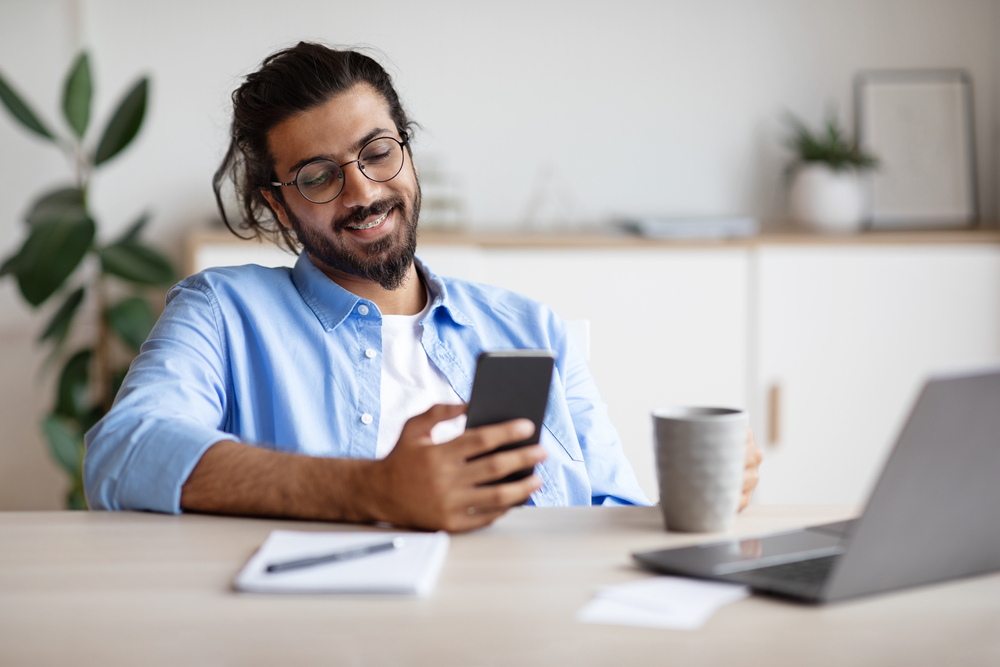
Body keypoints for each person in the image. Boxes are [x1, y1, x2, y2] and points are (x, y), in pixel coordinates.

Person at [84, 42, 762, 532]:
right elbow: (123, 452)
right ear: (280, 205)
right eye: (318, 176)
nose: (363, 191)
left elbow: (611, 517)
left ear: (405, 149)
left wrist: (689, 508)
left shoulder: (531, 328)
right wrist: (370, 490)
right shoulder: (223, 313)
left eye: (377, 152)